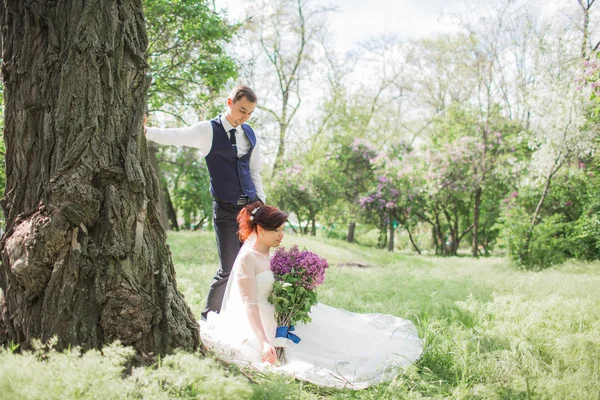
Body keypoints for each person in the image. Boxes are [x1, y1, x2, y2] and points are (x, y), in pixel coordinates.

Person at [200, 201, 424, 389]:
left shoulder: (275, 256)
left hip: (284, 318)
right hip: (260, 323)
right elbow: (249, 304)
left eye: (282, 230)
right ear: (260, 230)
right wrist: (264, 342)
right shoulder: (249, 258)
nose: (281, 235)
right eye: (276, 230)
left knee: (337, 337)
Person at [144, 85, 266, 320]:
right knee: (228, 269)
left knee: (253, 267)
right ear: (229, 102)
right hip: (226, 211)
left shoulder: (249, 133)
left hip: (251, 210)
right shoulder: (208, 131)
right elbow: (176, 136)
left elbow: (254, 171)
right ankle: (209, 319)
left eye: (250, 113)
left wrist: (261, 203)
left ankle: (246, 319)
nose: (245, 117)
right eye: (242, 110)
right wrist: (146, 131)